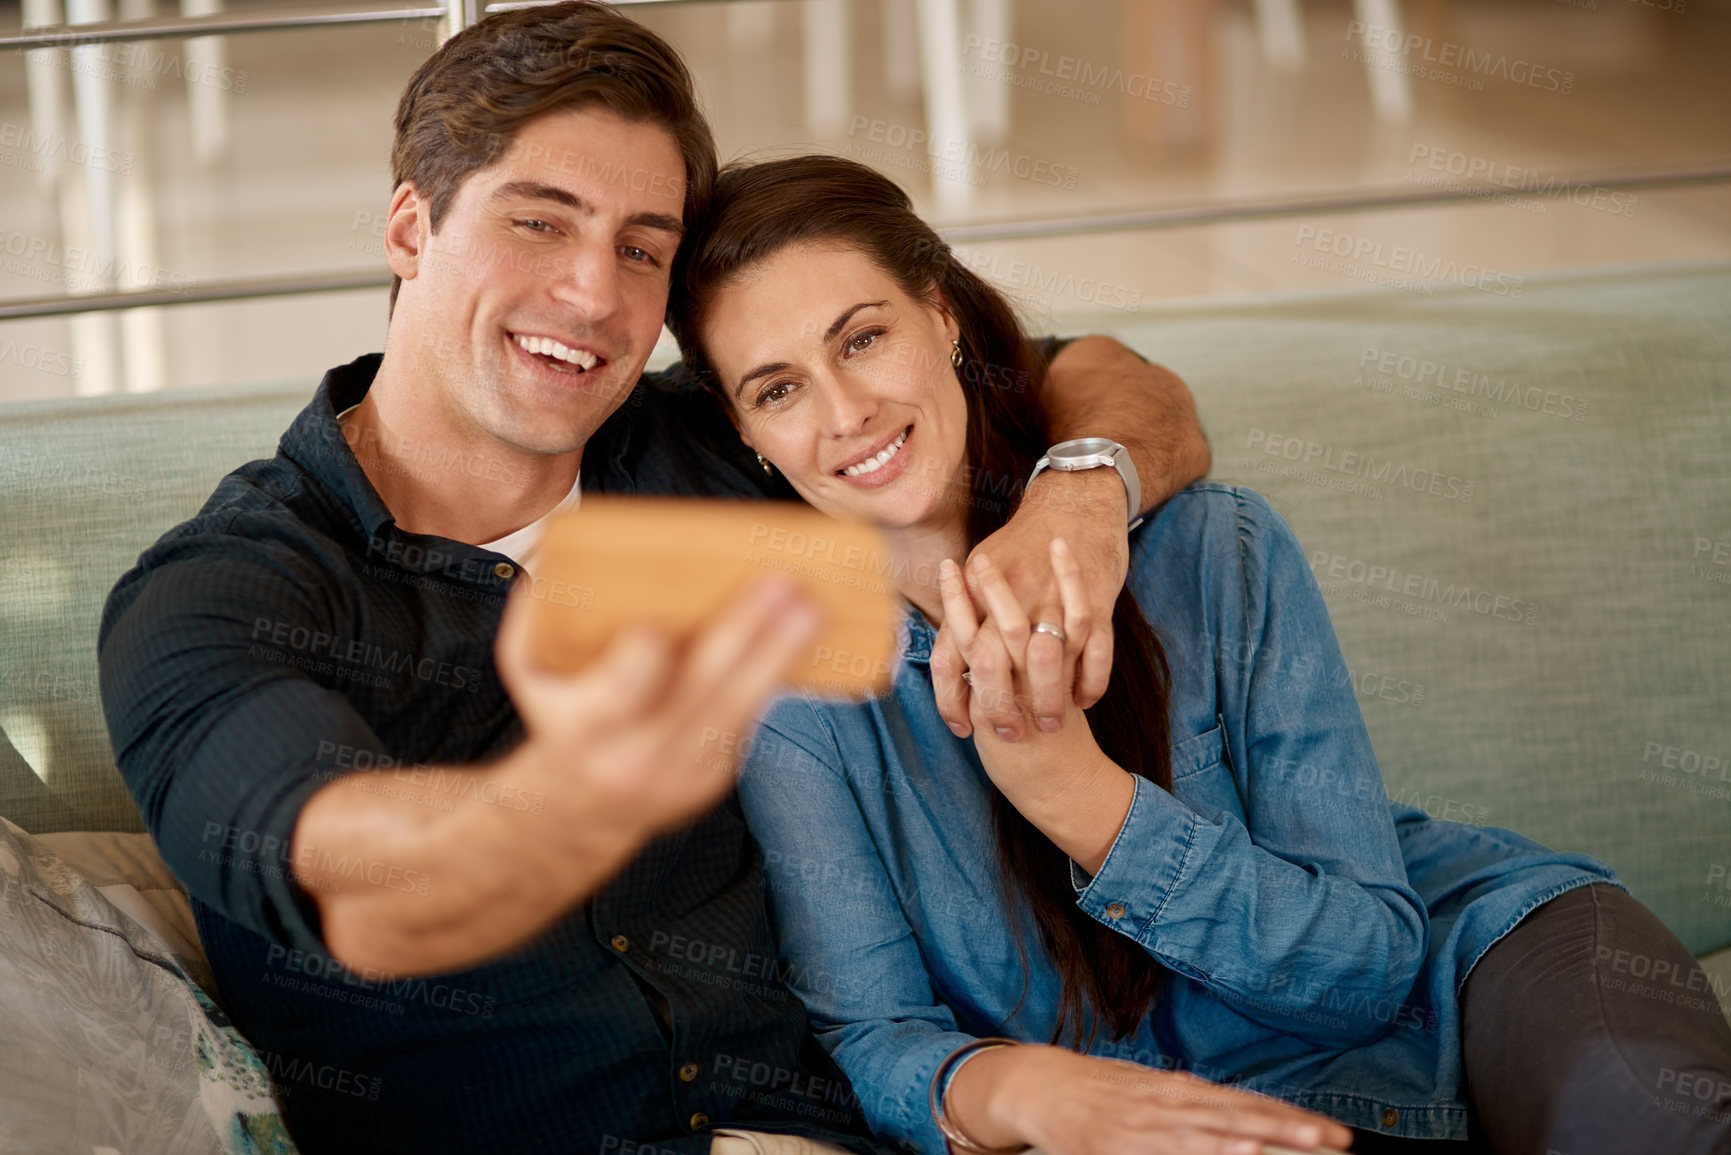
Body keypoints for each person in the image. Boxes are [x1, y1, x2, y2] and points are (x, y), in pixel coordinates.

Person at [93, 4, 1262, 1154]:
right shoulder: (221, 596)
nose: (596, 295)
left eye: (641, 248)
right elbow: (368, 887)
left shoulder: (726, 438)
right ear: (410, 231)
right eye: (540, 224)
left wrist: (1081, 499)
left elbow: (1092, 377)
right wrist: (584, 788)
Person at [665, 154, 1731, 1155]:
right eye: (778, 387)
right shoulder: (791, 696)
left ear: (940, 315)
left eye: (861, 339)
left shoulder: (1208, 546)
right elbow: (878, 1038)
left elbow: (1370, 971)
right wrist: (1039, 1094)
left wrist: (1080, 799)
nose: (846, 412)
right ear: (747, 430)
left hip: (1477, 966)